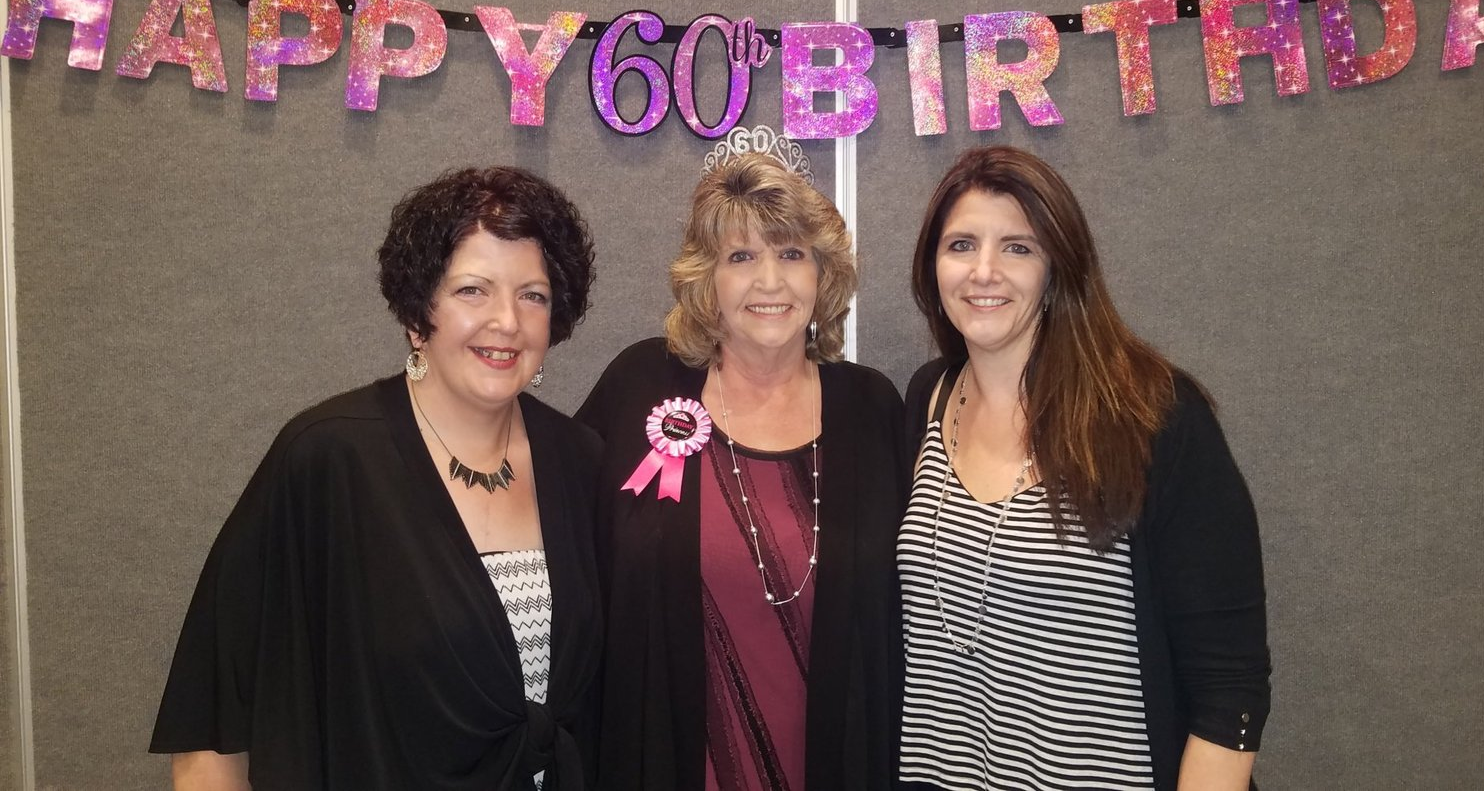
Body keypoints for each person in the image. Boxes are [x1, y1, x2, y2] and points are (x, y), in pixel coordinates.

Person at [151, 166, 604, 791]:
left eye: (533, 295)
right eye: (473, 290)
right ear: (419, 312)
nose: (507, 320)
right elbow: (215, 720)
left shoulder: (580, 462)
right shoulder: (328, 459)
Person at [897, 146, 1271, 791]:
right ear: (933, 267)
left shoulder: (1153, 415)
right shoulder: (928, 399)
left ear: (1058, 268)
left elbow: (1229, 685)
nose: (983, 271)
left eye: (1018, 247)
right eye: (961, 245)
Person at [576, 132, 903, 791]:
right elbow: (568, 547)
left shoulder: (872, 408)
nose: (769, 281)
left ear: (823, 274)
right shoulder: (641, 385)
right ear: (707, 277)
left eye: (791, 253)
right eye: (741, 256)